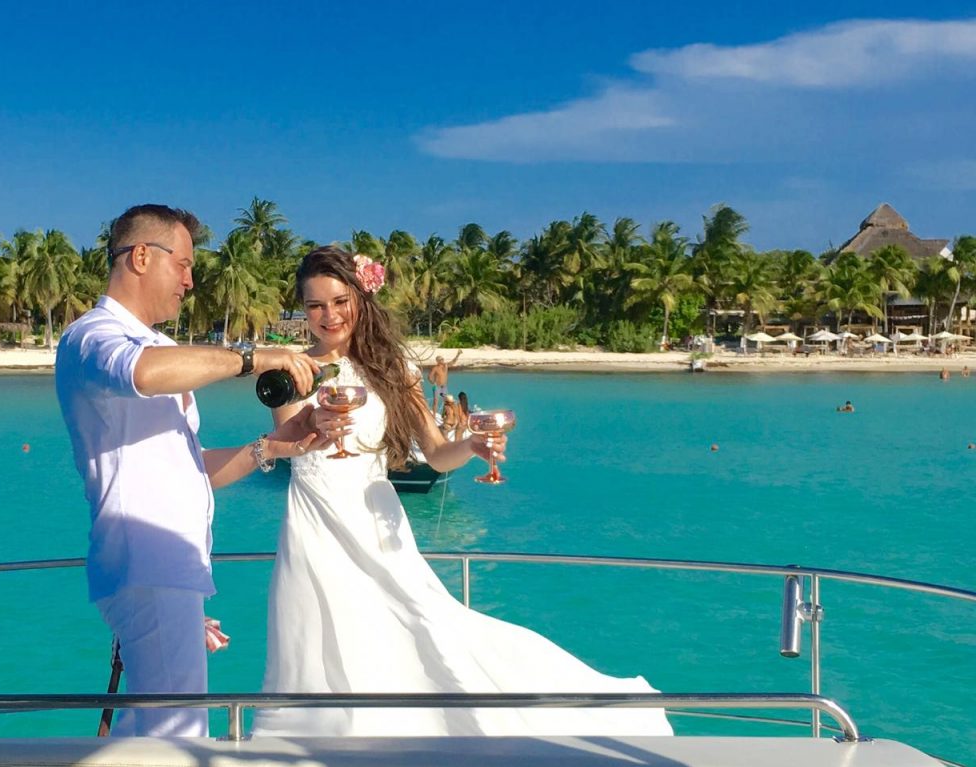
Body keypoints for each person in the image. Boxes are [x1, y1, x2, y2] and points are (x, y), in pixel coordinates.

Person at [254, 246, 671, 737]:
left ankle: (404, 742)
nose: (330, 316)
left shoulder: (395, 372)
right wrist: (308, 426)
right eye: (315, 305)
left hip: (374, 520)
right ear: (302, 310)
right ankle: (317, 746)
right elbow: (284, 447)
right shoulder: (286, 371)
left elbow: (434, 453)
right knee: (311, 634)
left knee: (417, 623)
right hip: (313, 523)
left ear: (361, 300)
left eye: (340, 301)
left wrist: (471, 445)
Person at [55, 204, 340, 737]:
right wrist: (253, 358)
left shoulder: (159, 347)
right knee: (177, 741)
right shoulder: (93, 337)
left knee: (150, 735)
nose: (190, 280)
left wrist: (273, 446)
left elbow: (188, 469)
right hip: (148, 560)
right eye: (183, 264)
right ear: (141, 256)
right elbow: (142, 373)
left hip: (169, 568)